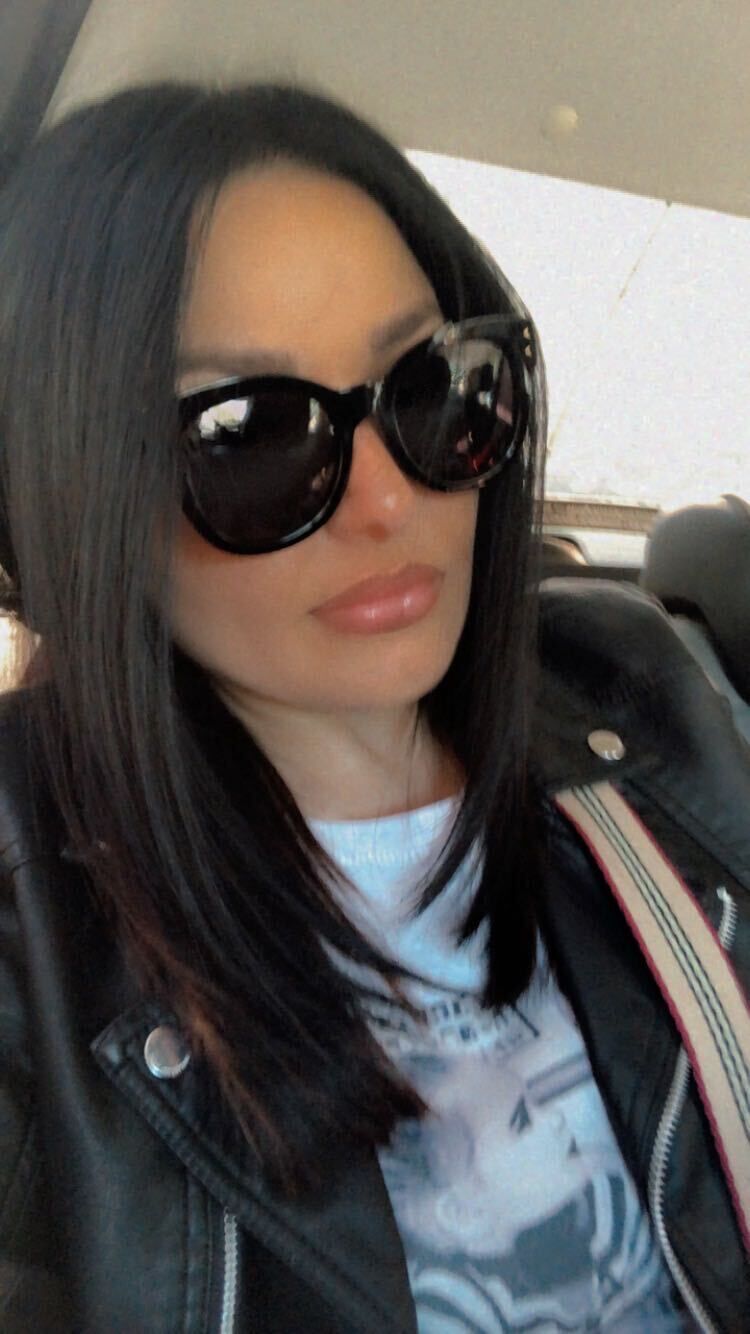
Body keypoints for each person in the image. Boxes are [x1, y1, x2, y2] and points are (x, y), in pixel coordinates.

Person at [0, 83, 747, 1334]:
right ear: (78, 497)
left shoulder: (633, 687)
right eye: (251, 434)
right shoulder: (25, 908)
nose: (392, 501)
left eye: (432, 387)